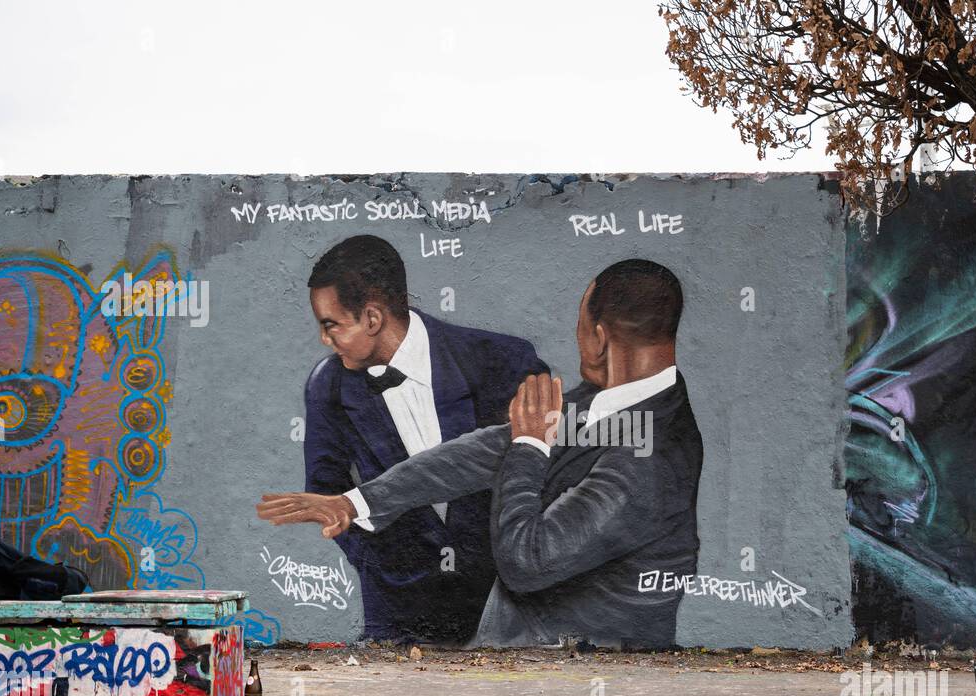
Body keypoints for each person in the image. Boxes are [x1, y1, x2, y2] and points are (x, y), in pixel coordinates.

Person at [260, 259, 703, 649]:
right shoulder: (606, 404)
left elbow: (527, 561)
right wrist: (354, 502)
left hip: (576, 679)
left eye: (581, 326)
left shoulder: (652, 458)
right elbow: (480, 453)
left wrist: (530, 446)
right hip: (515, 661)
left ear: (600, 338)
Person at [299, 234, 546, 643]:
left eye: (331, 325)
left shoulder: (502, 360)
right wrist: (377, 562)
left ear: (373, 318)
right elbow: (325, 488)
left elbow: (538, 463)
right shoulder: (327, 386)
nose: (325, 339)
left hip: (503, 609)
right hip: (399, 616)